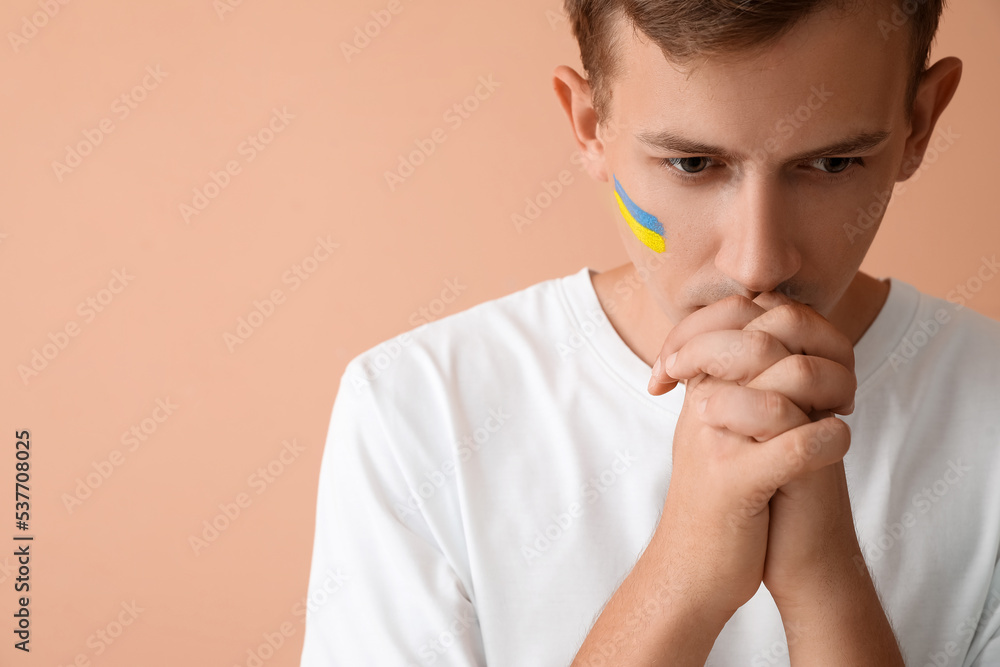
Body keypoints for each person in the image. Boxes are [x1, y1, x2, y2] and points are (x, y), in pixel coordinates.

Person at [300, 0, 1000, 664]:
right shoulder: (413, 410)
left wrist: (827, 582)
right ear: (588, 124)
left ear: (920, 122)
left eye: (833, 163)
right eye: (693, 164)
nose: (757, 261)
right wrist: (683, 577)